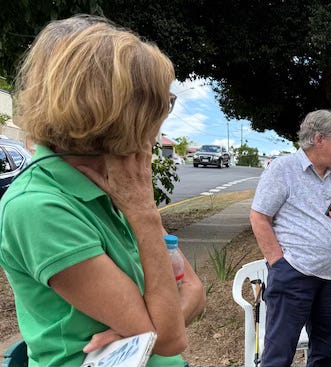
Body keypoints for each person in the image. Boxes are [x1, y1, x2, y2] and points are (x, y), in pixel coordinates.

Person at [0, 15, 205, 366]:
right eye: (159, 105)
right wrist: (143, 213)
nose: (160, 121)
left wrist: (145, 334)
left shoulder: (117, 182)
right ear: (120, 114)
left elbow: (195, 291)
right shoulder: (38, 207)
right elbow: (170, 337)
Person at [250, 109, 331, 367]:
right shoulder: (283, 168)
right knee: (278, 355)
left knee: (323, 354)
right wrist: (279, 263)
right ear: (319, 139)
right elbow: (259, 217)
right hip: (294, 275)